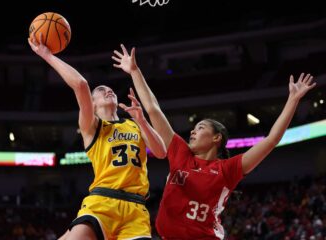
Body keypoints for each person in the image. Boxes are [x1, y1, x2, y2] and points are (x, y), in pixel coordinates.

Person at [112, 44, 316, 239]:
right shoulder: (180, 152)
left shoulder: (227, 170)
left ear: (216, 138)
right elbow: (153, 109)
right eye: (193, 128)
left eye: (200, 128)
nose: (192, 131)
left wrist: (293, 100)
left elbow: (271, 140)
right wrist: (135, 71)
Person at [28, 34, 166, 240]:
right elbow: (81, 84)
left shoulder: (133, 123)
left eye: (110, 90)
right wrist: (47, 55)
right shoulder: (92, 126)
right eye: (101, 91)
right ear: (92, 105)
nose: (108, 91)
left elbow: (161, 152)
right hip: (102, 202)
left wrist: (142, 121)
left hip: (136, 209)